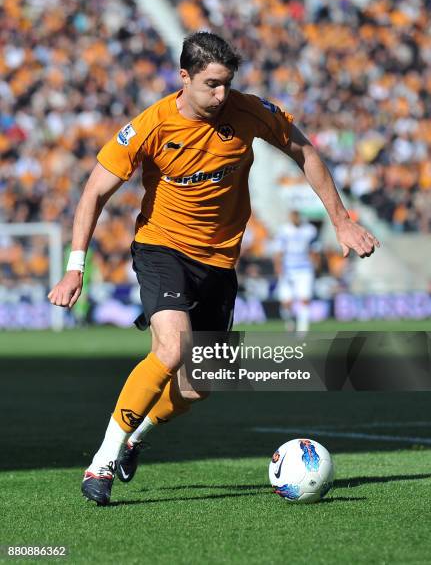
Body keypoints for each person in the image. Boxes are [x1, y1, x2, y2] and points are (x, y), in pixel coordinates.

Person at [48, 31, 380, 505]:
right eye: (212, 85)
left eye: (227, 83)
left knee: (197, 385)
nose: (222, 95)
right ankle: (101, 462)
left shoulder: (247, 111)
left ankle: (137, 434)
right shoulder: (151, 126)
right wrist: (75, 266)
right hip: (162, 249)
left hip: (220, 262)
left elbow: (303, 150)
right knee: (168, 349)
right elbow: (94, 191)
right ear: (184, 78)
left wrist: (341, 220)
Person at [273, 210, 318, 332]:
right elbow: (278, 251)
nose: (295, 219)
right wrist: (278, 267)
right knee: (286, 303)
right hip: (287, 268)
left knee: (304, 299)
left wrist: (316, 266)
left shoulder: (310, 230)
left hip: (304, 268)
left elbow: (314, 250)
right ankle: (290, 321)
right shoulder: (284, 230)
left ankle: (302, 331)